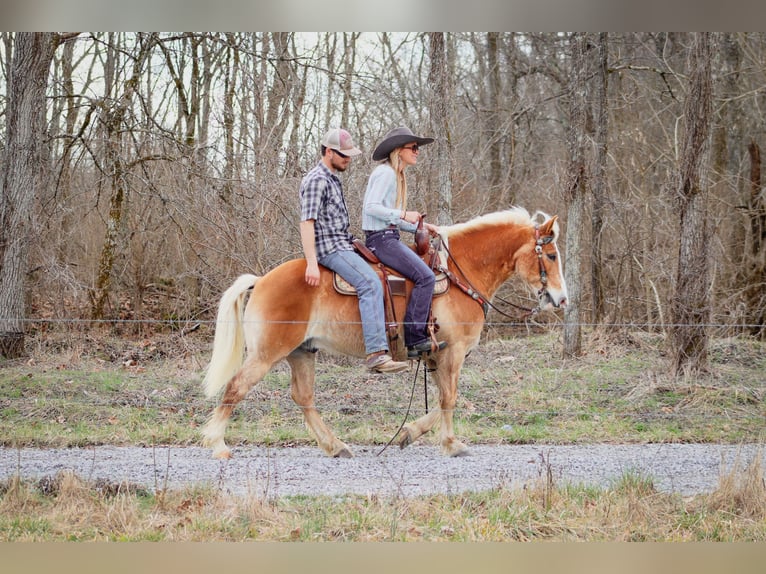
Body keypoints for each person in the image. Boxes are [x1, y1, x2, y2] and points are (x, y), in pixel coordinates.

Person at [299, 128, 408, 374]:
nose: (348, 159)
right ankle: (376, 353)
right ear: (329, 152)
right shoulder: (317, 180)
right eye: (344, 155)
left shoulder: (332, 178)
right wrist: (311, 263)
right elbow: (307, 222)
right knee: (370, 283)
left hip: (344, 243)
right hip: (330, 248)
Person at [362, 126, 448, 359]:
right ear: (399, 150)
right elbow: (371, 208)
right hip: (381, 241)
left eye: (417, 148)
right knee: (426, 277)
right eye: (413, 147)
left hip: (388, 236)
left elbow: (392, 218)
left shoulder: (396, 175)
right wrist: (403, 215)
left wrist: (421, 227)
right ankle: (415, 338)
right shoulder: (386, 173)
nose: (417, 152)